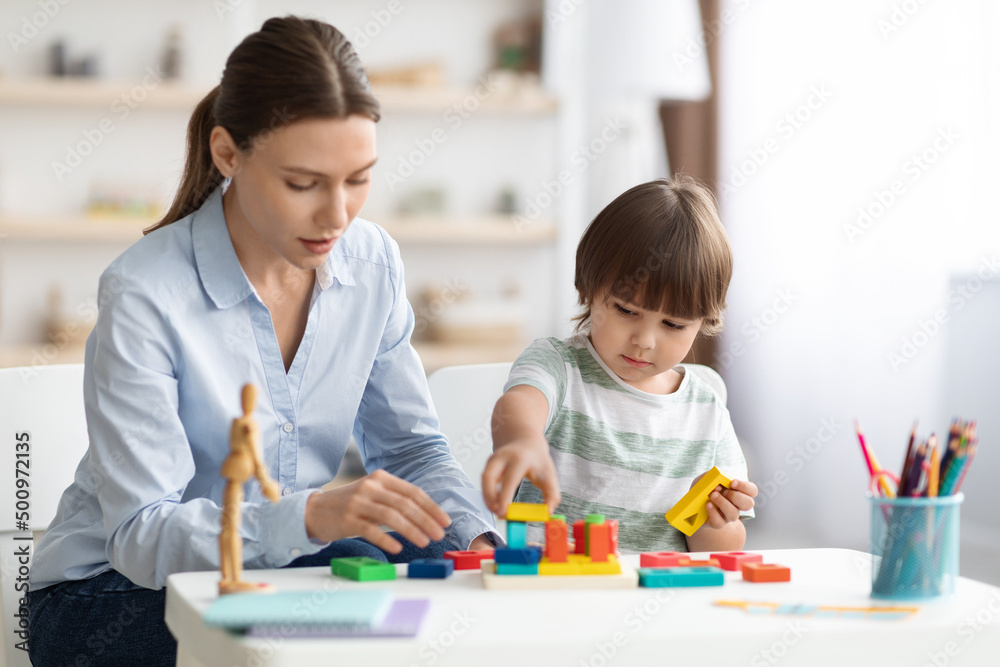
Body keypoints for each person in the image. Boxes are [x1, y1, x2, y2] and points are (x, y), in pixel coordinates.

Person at [28, 16, 497, 666]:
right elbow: (140, 536)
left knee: (436, 570)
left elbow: (413, 450)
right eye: (304, 183)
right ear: (228, 154)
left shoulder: (372, 264)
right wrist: (308, 518)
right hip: (106, 593)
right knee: (353, 602)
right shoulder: (144, 293)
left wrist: (479, 539)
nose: (337, 215)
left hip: (275, 562)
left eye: (358, 178)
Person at [481, 176, 758, 554]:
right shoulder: (559, 365)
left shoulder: (706, 411)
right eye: (626, 310)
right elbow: (519, 405)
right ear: (589, 288)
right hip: (552, 590)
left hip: (655, 598)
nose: (644, 340)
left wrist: (714, 520)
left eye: (673, 325)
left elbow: (722, 551)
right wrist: (524, 441)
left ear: (703, 322)